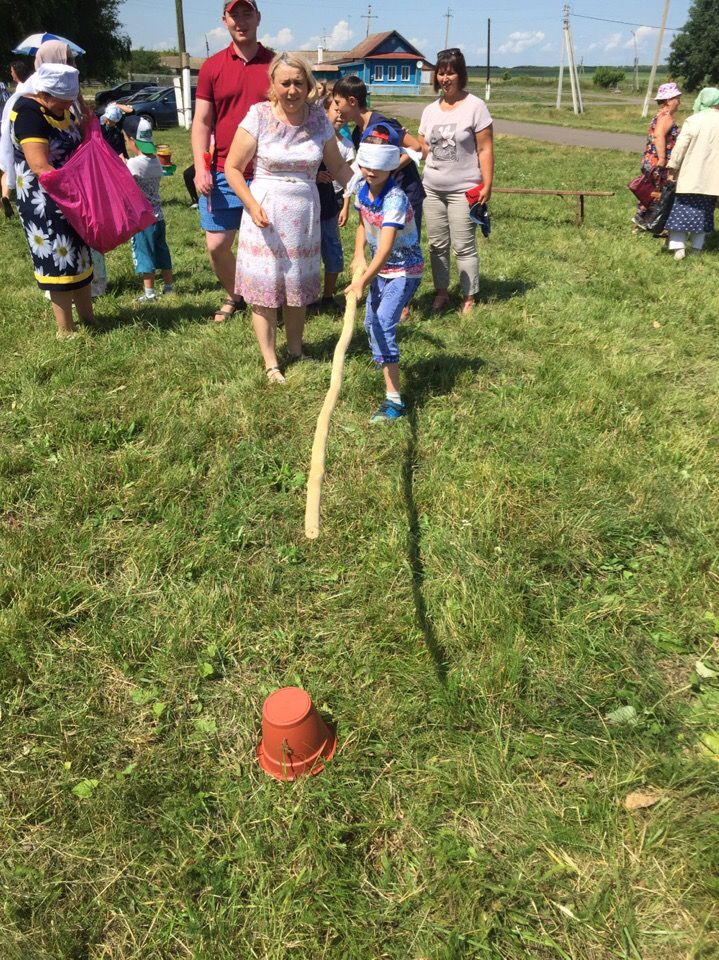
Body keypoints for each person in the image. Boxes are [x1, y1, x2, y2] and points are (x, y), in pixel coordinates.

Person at [224, 53, 354, 383]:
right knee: (265, 289)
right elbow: (233, 168)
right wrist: (252, 205)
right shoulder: (258, 116)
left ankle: (296, 349)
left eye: (299, 83)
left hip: (304, 216)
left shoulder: (319, 121)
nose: (292, 90)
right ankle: (271, 363)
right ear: (273, 85)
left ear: (309, 86)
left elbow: (338, 166)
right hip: (264, 214)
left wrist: (366, 193)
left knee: (296, 286)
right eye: (285, 83)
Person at [191, 0, 274, 322]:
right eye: (234, 14)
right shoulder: (212, 66)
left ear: (258, 17)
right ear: (224, 20)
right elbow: (201, 122)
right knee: (216, 245)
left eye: (246, 13)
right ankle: (235, 294)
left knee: (269, 245)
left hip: (267, 172)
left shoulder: (275, 65)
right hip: (224, 169)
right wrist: (200, 166)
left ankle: (270, 299)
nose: (241, 21)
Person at [9, 63, 96, 337]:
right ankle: (65, 330)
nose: (66, 108)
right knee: (57, 261)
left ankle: (89, 319)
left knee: (79, 257)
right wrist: (74, 191)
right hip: (44, 202)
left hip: (70, 196)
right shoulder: (28, 114)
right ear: (45, 93)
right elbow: (40, 166)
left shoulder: (57, 107)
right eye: (63, 102)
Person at [347, 123, 424, 422]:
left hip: (404, 269)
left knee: (381, 324)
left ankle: (394, 400)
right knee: (370, 323)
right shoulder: (362, 190)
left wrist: (362, 281)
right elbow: (362, 225)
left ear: (392, 166)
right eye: (366, 165)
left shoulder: (395, 199)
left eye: (378, 166)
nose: (370, 172)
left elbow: (385, 248)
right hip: (382, 270)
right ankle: (385, 362)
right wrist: (357, 256)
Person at [333, 74, 424, 320]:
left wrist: (388, 167)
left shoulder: (383, 123)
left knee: (400, 246)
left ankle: (401, 303)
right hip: (377, 195)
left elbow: (417, 147)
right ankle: (385, 293)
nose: (336, 109)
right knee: (380, 244)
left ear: (352, 101)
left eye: (338, 102)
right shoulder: (355, 133)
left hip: (403, 192)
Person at [417, 47, 493, 314]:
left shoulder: (475, 107)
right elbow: (423, 147)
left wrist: (487, 184)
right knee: (437, 245)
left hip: (464, 189)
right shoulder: (430, 110)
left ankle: (469, 296)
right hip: (432, 188)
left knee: (463, 245)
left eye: (450, 73)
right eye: (441, 73)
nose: (445, 78)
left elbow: (485, 148)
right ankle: (441, 292)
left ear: (460, 75)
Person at [123, 115, 174, 301]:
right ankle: (169, 287)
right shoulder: (156, 162)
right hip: (159, 216)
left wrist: (123, 164)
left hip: (143, 219)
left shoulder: (133, 164)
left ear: (132, 141)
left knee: (145, 254)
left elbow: (125, 179)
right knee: (162, 251)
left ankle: (149, 293)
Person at [312, 84, 354, 311]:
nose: (338, 114)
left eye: (341, 110)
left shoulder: (342, 144)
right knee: (307, 255)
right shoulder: (310, 138)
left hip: (328, 205)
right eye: (333, 109)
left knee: (333, 251)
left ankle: (328, 297)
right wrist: (315, 175)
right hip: (307, 206)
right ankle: (307, 297)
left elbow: (345, 172)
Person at [665, 87, 719, 260]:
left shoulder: (694, 120)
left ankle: (679, 248)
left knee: (681, 213)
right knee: (704, 215)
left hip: (690, 176)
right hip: (713, 180)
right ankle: (697, 249)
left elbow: (680, 147)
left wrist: (672, 167)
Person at [634, 81, 682, 229]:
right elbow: (659, 136)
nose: (679, 102)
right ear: (668, 100)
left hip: (650, 158)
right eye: (677, 99)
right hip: (658, 160)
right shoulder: (666, 117)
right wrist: (662, 158)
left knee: (651, 190)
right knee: (657, 192)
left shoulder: (660, 115)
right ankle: (649, 222)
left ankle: (642, 220)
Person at [1, 61, 32, 216]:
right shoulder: (33, 88)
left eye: (12, 71)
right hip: (25, 134)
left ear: (17, 73)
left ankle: (5, 196)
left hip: (14, 133)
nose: (11, 73)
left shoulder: (19, 93)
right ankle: (7, 196)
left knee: (8, 164)